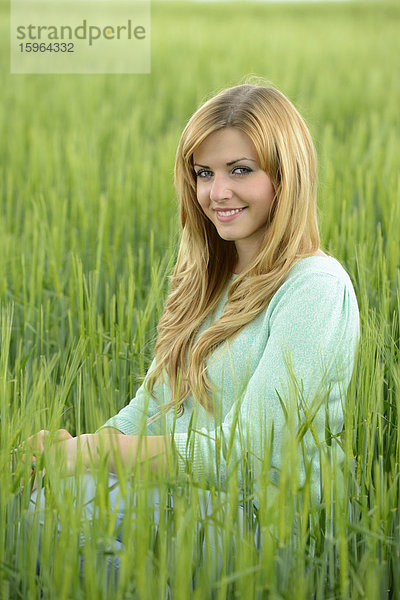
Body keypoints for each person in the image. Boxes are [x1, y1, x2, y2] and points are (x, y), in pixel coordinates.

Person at [23, 82, 360, 576]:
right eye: (204, 173)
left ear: (287, 176)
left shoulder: (315, 288)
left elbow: (247, 457)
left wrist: (99, 453)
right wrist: (72, 447)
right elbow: (154, 407)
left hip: (270, 522)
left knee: (55, 528)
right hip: (193, 496)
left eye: (240, 171)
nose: (215, 192)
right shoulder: (208, 278)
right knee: (34, 502)